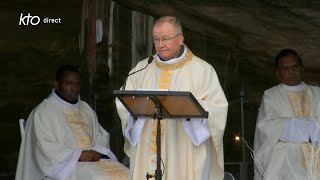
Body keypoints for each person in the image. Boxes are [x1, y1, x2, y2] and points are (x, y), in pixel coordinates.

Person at [115, 16, 228, 180]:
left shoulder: (202, 70)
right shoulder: (142, 68)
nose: (160, 45)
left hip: (183, 149)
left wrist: (188, 107)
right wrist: (138, 109)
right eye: (156, 39)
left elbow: (217, 108)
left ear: (180, 39)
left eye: (166, 39)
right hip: (147, 149)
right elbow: (122, 100)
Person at [15, 64, 129, 180]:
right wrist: (79, 155)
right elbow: (44, 147)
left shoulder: (85, 108)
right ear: (57, 84)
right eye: (68, 83)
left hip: (94, 161)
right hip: (67, 167)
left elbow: (100, 135)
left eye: (77, 84)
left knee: (130, 175)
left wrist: (98, 151)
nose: (74, 88)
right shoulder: (43, 112)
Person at [253, 49, 320, 180]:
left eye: (295, 66)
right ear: (278, 74)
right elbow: (268, 127)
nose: (291, 71)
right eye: (285, 68)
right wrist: (312, 127)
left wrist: (290, 124)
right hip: (284, 163)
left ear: (302, 69)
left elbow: (280, 125)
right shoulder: (271, 95)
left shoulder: (318, 93)